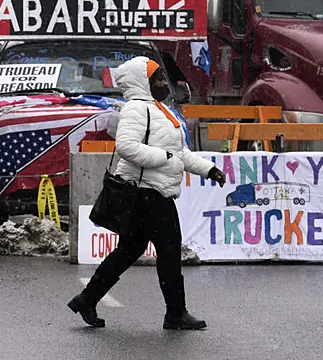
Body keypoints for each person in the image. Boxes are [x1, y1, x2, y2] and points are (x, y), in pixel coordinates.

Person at [69, 56, 226, 330]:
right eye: (159, 80)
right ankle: (175, 313)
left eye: (163, 80)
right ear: (144, 83)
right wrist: (163, 157)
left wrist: (208, 169)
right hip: (147, 192)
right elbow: (127, 146)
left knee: (129, 251)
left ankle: (87, 298)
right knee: (168, 251)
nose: (164, 84)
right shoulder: (137, 110)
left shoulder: (158, 110)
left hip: (153, 191)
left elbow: (180, 154)